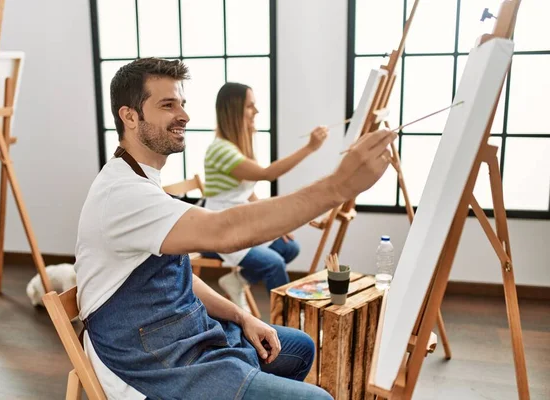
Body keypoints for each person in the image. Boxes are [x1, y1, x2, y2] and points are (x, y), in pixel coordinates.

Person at [74, 57, 395, 400]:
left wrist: (242, 316)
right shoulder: (121, 193)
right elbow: (224, 232)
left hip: (177, 333)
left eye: (182, 103)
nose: (184, 114)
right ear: (130, 116)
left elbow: (176, 275)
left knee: (298, 347)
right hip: (148, 363)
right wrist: (337, 187)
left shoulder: (142, 180)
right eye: (168, 104)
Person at [202, 82, 329, 308]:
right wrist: (310, 148)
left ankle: (238, 280)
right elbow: (267, 174)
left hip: (241, 219)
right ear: (233, 109)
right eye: (250, 106)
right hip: (222, 228)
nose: (256, 112)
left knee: (289, 247)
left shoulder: (236, 147)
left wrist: (275, 223)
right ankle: (286, 321)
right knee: (274, 264)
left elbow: (247, 193)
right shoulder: (220, 149)